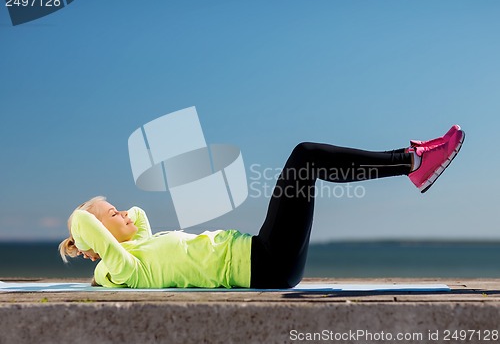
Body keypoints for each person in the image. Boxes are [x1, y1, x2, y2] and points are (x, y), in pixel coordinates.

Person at [59, 125, 465, 289]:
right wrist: (85, 226)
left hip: (265, 256)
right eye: (113, 215)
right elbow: (89, 228)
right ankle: (412, 162)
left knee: (306, 160)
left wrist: (115, 217)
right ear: (96, 241)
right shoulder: (125, 268)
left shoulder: (141, 247)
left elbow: (139, 219)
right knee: (304, 156)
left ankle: (413, 164)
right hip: (265, 263)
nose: (125, 213)